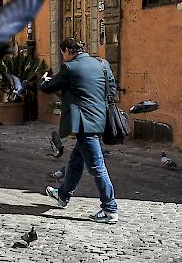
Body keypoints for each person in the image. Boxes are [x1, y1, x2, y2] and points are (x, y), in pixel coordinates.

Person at [39, 37, 118, 224]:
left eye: (63, 54)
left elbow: (49, 88)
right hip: (100, 120)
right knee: (76, 160)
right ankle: (63, 195)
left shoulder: (70, 68)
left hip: (84, 123)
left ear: (67, 50)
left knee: (97, 167)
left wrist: (43, 80)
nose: (63, 57)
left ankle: (110, 208)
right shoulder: (102, 63)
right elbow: (112, 88)